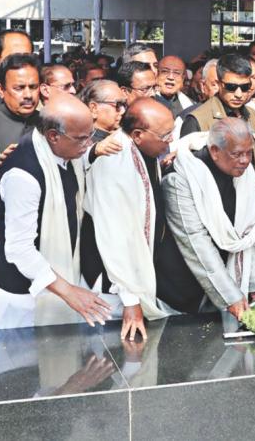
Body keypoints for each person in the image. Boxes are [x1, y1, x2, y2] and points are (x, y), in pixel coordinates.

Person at [0, 93, 112, 329]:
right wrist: (68, 291)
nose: (88, 145)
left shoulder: (65, 150)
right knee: (20, 362)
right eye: (82, 139)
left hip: (59, 279)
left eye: (91, 136)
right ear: (53, 136)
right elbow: (19, 249)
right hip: (21, 294)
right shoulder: (23, 175)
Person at [82, 98, 176, 340]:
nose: (171, 140)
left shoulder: (144, 150)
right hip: (115, 291)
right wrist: (130, 300)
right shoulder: (114, 160)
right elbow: (114, 236)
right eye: (165, 135)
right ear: (137, 134)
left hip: (138, 276)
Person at [160, 119, 255, 318]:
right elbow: (194, 240)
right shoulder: (182, 177)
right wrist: (230, 296)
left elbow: (251, 231)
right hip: (182, 287)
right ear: (214, 151)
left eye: (248, 152)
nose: (245, 160)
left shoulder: (247, 173)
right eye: (237, 154)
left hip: (225, 283)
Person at [0, 53, 41, 154]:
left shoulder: (49, 123)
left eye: (33, 87)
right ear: (1, 90)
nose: (28, 95)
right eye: (19, 88)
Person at [181, 54, 255, 136]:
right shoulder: (197, 120)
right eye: (231, 87)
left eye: (244, 87)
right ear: (219, 84)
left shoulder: (253, 116)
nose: (238, 94)